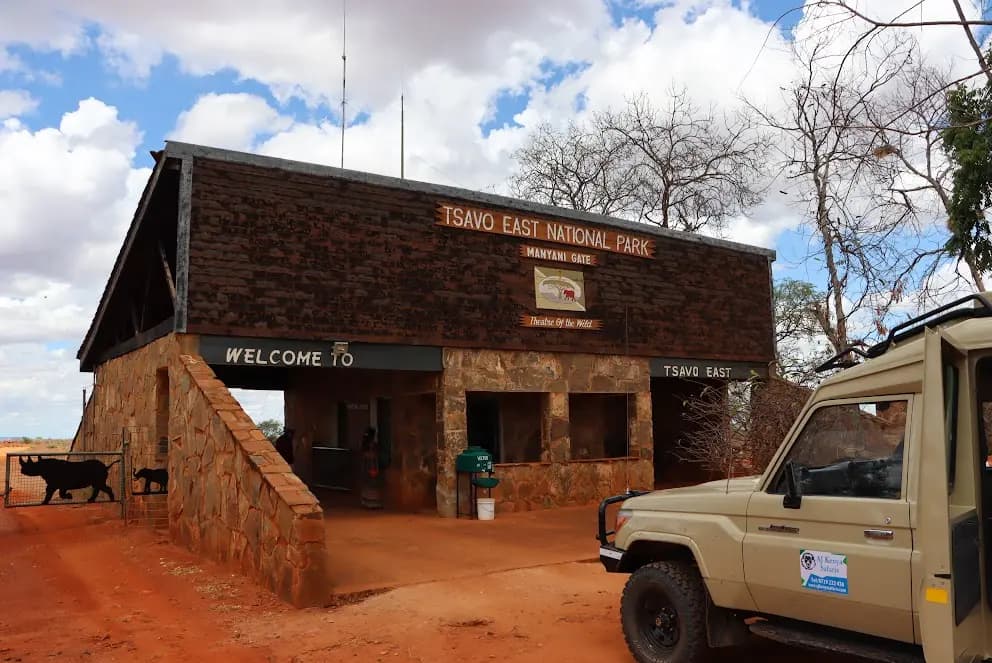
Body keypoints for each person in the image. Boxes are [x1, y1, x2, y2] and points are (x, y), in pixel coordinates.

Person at [360, 427, 383, 509]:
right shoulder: (368, 444)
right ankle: (369, 503)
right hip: (370, 465)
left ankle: (369, 502)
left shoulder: (369, 444)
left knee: (371, 484)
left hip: (370, 465)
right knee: (370, 484)